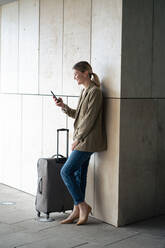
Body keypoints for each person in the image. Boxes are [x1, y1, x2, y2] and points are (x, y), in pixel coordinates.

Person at [53, 61, 107, 225]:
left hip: (87, 141)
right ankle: (77, 209)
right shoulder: (85, 92)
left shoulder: (95, 92)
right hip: (83, 139)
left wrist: (78, 138)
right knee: (79, 174)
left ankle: (82, 206)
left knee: (65, 172)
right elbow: (79, 115)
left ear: (86, 73)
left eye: (76, 74)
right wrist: (63, 106)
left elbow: (89, 119)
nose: (74, 77)